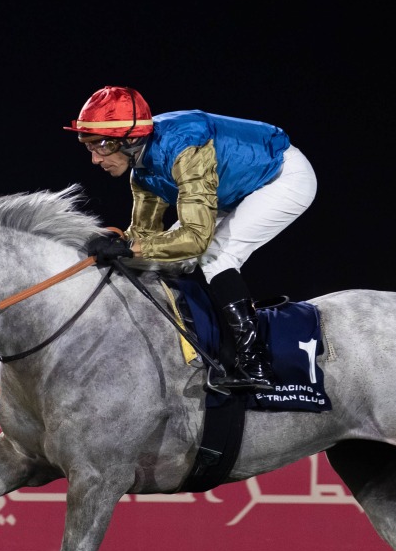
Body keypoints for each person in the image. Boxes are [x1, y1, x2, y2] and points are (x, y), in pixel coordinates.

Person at [65, 86, 317, 391]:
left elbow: (195, 238)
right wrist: (114, 242)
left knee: (215, 255)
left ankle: (256, 363)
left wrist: (131, 248)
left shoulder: (185, 149)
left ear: (131, 140)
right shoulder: (141, 172)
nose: (94, 159)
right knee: (170, 258)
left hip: (282, 178)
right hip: (234, 190)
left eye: (101, 146)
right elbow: (144, 236)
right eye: (89, 147)